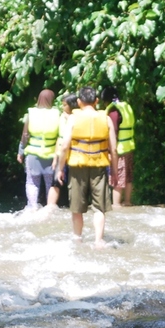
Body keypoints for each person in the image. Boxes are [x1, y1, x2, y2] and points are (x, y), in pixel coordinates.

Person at [56, 86, 118, 246]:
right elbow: (114, 149)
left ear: (78, 102)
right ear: (96, 101)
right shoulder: (106, 119)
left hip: (77, 168)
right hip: (99, 167)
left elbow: (64, 147)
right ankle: (99, 241)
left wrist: (60, 168)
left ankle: (77, 239)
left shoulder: (73, 119)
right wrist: (115, 172)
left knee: (77, 207)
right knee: (99, 208)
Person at [17, 89, 61, 209]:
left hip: (33, 154)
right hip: (51, 156)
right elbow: (60, 136)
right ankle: (49, 208)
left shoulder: (31, 113)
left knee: (32, 183)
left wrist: (20, 152)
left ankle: (32, 208)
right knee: (50, 184)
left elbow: (25, 135)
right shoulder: (57, 114)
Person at [101, 86, 135, 207]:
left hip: (119, 150)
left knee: (117, 178)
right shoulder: (126, 107)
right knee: (128, 176)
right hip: (129, 147)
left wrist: (110, 151)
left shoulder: (114, 111)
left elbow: (113, 133)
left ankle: (116, 205)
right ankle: (127, 201)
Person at [48, 93, 79, 207]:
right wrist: (55, 158)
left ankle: (74, 207)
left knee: (74, 184)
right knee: (55, 182)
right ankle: (50, 207)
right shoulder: (61, 117)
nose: (62, 107)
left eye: (65, 105)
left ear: (72, 105)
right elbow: (59, 138)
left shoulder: (78, 118)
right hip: (62, 154)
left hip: (74, 155)